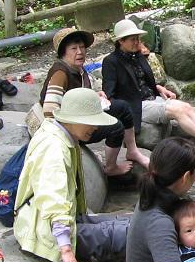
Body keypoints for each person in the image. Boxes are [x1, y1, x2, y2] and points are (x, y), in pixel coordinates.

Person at [14, 88, 129, 262]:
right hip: (47, 234)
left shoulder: (60, 132)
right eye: (91, 122)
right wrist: (66, 251)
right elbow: (54, 199)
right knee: (132, 233)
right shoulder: (54, 149)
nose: (96, 127)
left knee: (130, 222)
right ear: (73, 119)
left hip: (68, 220)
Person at [102, 19, 195, 150]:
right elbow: (109, 94)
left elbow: (142, 81)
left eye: (137, 38)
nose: (137, 42)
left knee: (186, 107)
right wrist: (124, 117)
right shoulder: (111, 62)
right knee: (177, 111)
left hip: (152, 99)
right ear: (120, 41)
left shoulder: (137, 55)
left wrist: (159, 88)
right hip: (136, 106)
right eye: (132, 39)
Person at [38, 27, 149, 175]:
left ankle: (132, 150)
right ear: (63, 52)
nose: (80, 52)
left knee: (123, 107)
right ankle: (111, 167)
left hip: (81, 117)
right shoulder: (60, 73)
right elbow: (50, 111)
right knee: (116, 127)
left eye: (82, 47)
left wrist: (95, 96)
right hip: (70, 127)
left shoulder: (78, 69)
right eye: (73, 48)